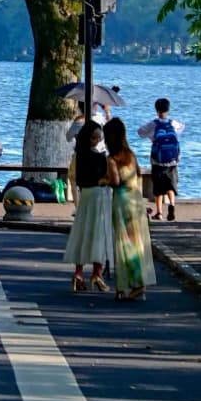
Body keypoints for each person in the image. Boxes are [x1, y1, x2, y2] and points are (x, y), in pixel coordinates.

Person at [103, 116, 155, 302]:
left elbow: (115, 181)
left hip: (122, 203)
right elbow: (137, 175)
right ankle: (135, 283)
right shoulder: (130, 155)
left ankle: (132, 284)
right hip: (136, 202)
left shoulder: (112, 159)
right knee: (137, 243)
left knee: (124, 244)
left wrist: (104, 180)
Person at [63, 120, 113, 292]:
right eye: (95, 138)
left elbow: (75, 178)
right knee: (99, 234)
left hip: (85, 196)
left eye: (99, 138)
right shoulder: (100, 157)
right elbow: (108, 178)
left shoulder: (78, 156)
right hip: (99, 196)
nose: (97, 141)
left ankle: (78, 273)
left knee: (83, 233)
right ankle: (97, 273)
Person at [138, 97, 184, 222]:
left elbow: (140, 132)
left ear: (156, 110)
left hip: (157, 161)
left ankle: (159, 213)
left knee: (158, 188)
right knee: (170, 185)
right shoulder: (173, 123)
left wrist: (151, 137)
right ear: (168, 109)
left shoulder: (153, 124)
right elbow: (181, 128)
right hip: (172, 160)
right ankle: (172, 205)